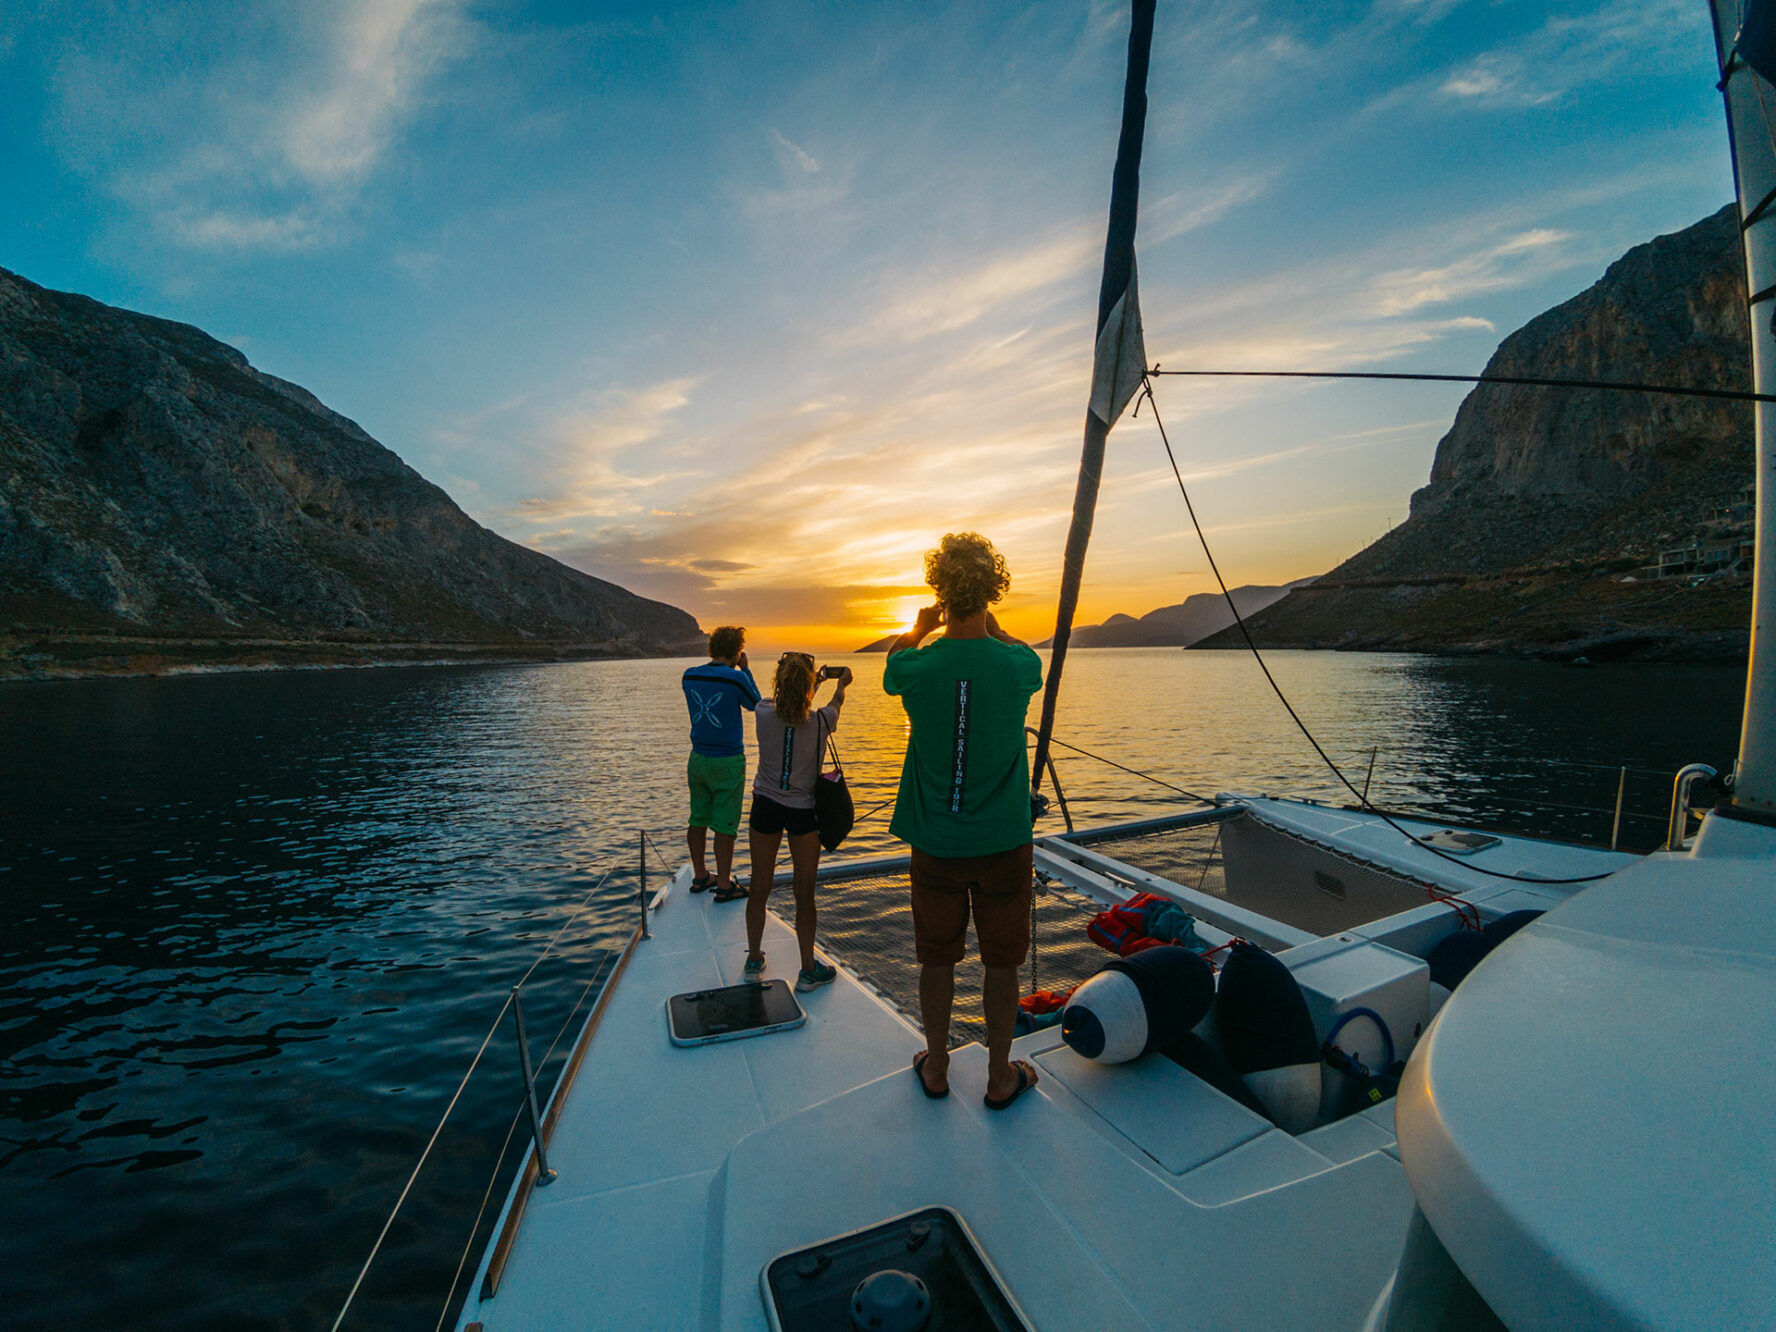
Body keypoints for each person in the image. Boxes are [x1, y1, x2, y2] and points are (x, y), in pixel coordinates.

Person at [884, 532, 1044, 1110]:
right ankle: (1000, 1075)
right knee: (1001, 966)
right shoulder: (1017, 663)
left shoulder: (916, 668)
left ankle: (937, 1066)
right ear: (993, 592)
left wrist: (921, 627)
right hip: (1004, 842)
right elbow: (1028, 664)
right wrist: (996, 631)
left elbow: (891, 668)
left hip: (937, 844)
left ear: (940, 593)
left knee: (936, 959)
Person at [743, 654, 852, 989]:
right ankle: (807, 969)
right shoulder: (822, 721)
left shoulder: (763, 711)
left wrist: (810, 681)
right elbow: (835, 702)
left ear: (778, 683)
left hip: (766, 805)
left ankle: (754, 958)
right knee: (805, 893)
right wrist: (838, 683)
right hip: (803, 811)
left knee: (759, 886)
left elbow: (786, 704)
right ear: (807, 688)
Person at [682, 626, 759, 897]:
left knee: (698, 818)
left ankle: (701, 876)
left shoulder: (689, 676)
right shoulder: (734, 679)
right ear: (737, 651)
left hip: (698, 759)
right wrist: (745, 671)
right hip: (727, 760)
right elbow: (755, 703)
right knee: (725, 824)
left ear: (712, 648)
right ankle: (724, 884)